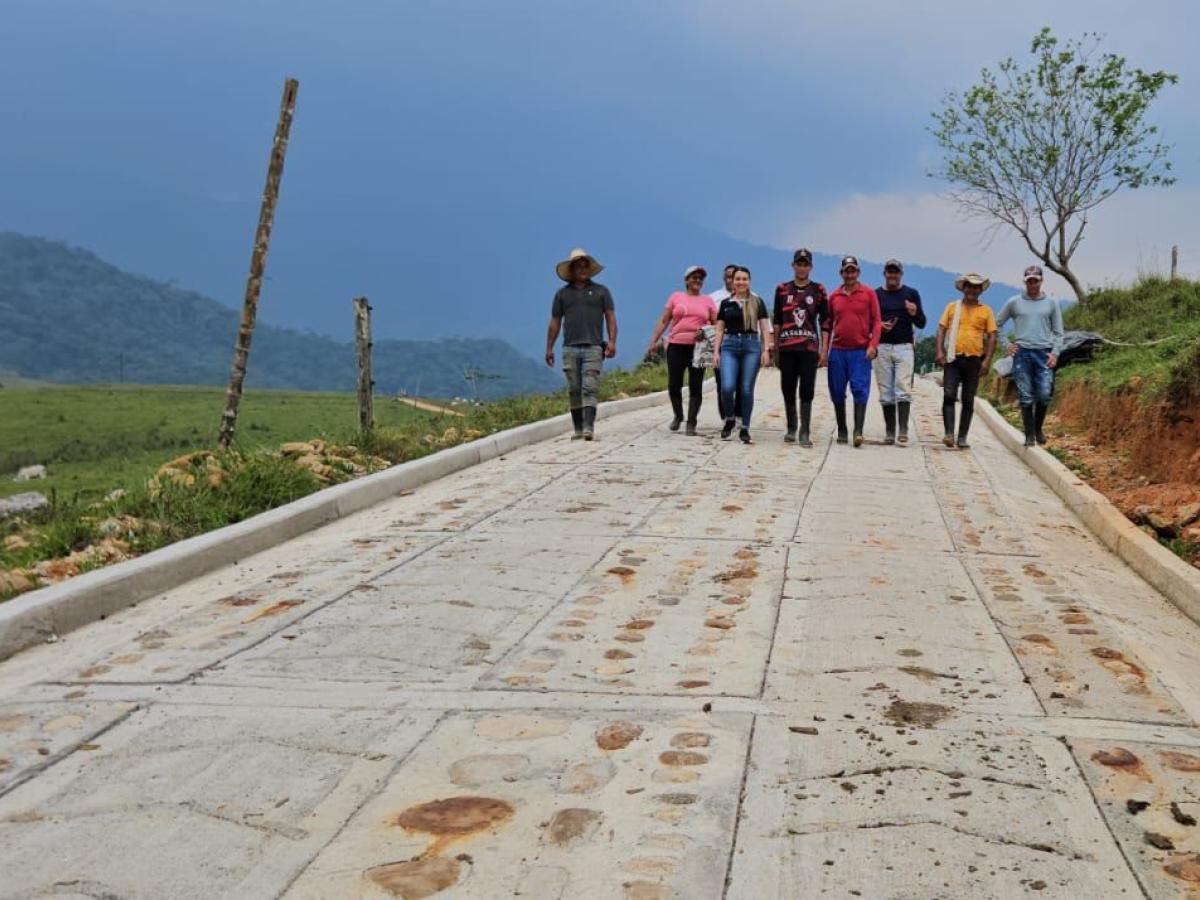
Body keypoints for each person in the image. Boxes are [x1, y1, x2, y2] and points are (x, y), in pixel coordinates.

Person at [545, 248, 617, 440]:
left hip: (593, 347)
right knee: (574, 388)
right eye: (579, 266)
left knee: (590, 387)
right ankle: (578, 428)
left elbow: (610, 318)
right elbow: (555, 322)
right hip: (569, 347)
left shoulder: (602, 292)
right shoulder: (562, 295)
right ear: (573, 269)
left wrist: (611, 341)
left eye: (586, 266)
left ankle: (588, 427)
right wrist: (549, 347)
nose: (583, 269)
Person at [997, 265, 1064, 447]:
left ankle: (1038, 427)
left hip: (1043, 352)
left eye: (1035, 280)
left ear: (1041, 281)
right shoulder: (1014, 302)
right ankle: (1029, 435)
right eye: (1029, 281)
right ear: (1025, 282)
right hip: (1022, 353)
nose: (1032, 284)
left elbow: (1059, 332)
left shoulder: (1051, 303)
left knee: (1043, 394)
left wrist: (1055, 353)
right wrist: (1007, 344)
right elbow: (997, 324)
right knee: (1025, 395)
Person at [646, 265, 717, 435]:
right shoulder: (676, 297)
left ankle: (691, 422)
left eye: (700, 278)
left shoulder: (707, 301)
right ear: (686, 280)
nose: (697, 281)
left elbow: (717, 324)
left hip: (698, 347)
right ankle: (678, 415)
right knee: (674, 384)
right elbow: (664, 321)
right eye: (694, 277)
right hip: (676, 345)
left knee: (696, 385)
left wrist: (706, 330)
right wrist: (653, 341)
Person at [773, 248, 828, 447]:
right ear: (793, 265)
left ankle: (805, 430)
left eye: (806, 264)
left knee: (807, 389)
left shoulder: (818, 290)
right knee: (788, 388)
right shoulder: (782, 289)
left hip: (809, 348)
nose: (802, 267)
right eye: (799, 263)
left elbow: (825, 322)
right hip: (787, 347)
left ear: (810, 267)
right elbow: (777, 320)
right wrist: (775, 348)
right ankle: (791, 426)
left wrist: (824, 350)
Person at [935, 273, 997, 449]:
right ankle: (949, 433)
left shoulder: (986, 311)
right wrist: (939, 351)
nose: (972, 290)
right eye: (969, 286)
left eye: (976, 287)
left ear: (980, 290)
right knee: (949, 395)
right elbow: (941, 330)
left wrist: (987, 361)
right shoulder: (952, 307)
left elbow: (992, 336)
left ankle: (962, 437)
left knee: (968, 399)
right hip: (953, 358)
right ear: (964, 288)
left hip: (974, 360)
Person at [825, 255, 881, 447]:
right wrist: (824, 351)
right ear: (841, 273)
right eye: (846, 271)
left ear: (858, 273)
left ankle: (858, 430)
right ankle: (842, 427)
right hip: (838, 350)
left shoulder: (868, 294)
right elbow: (828, 324)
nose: (850, 274)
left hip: (860, 351)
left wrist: (873, 345)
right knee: (837, 390)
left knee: (860, 389)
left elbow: (877, 321)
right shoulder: (834, 297)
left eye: (853, 271)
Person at [714, 266, 770, 443]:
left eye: (744, 279)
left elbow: (764, 327)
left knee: (746, 389)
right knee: (727, 387)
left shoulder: (757, 302)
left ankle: (745, 427)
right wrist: (716, 351)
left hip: (751, 345)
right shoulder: (726, 303)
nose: (741, 282)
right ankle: (730, 419)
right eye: (738, 279)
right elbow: (720, 328)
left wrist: (766, 349)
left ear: (749, 281)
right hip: (729, 345)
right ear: (732, 281)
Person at [873, 259, 926, 445]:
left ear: (901, 274)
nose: (892, 275)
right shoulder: (876, 295)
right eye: (889, 272)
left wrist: (913, 312)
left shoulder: (911, 294)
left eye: (896, 272)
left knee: (903, 388)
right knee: (886, 391)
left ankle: (903, 429)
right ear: (884, 273)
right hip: (882, 347)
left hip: (904, 346)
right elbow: (869, 321)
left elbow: (922, 322)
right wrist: (879, 325)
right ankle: (890, 430)